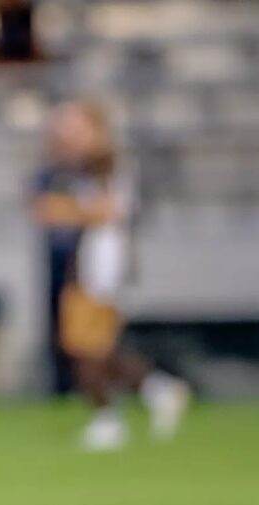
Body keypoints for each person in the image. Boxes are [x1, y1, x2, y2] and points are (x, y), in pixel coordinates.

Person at [35, 99, 189, 451]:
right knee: (90, 346)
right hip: (90, 261)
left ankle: (115, 415)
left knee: (87, 346)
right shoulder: (79, 165)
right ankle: (154, 390)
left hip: (102, 264)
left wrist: (67, 211)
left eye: (75, 126)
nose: (67, 133)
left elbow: (106, 211)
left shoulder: (105, 162)